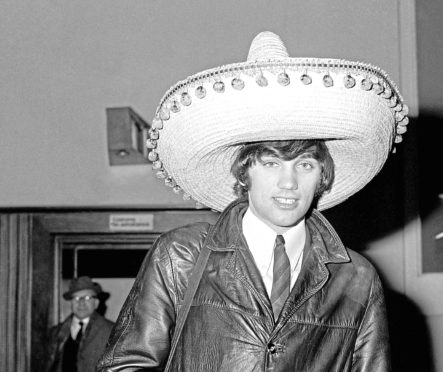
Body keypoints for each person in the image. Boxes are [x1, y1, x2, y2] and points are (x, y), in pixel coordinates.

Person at [98, 31, 409, 371]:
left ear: (322, 175)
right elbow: (125, 365)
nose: (289, 183)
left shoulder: (356, 277)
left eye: (304, 165)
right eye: (271, 163)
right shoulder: (181, 256)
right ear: (244, 173)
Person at [47, 276, 115, 372]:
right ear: (71, 302)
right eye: (77, 298)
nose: (81, 303)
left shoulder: (111, 331)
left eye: (87, 298)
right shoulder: (56, 333)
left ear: (96, 303)